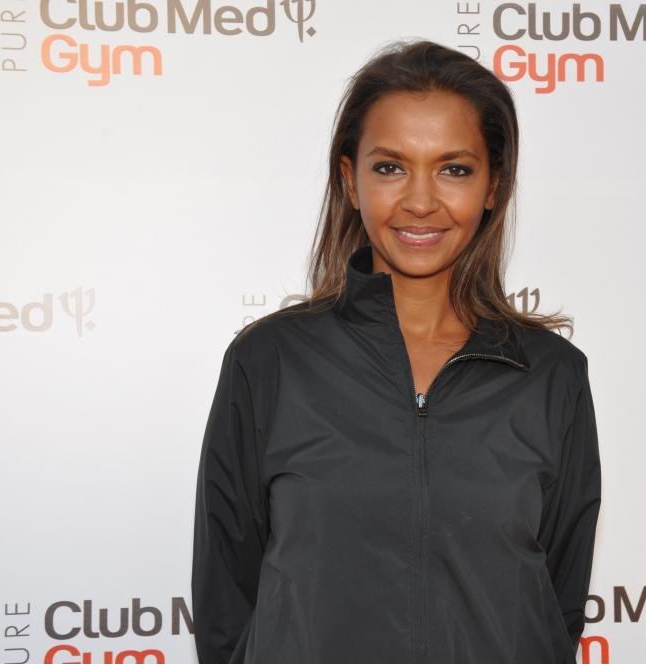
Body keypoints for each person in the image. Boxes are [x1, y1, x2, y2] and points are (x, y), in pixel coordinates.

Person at [191, 40, 601, 664]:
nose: (420, 201)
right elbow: (227, 607)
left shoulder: (550, 375)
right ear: (349, 180)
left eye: (454, 169)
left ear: (493, 185)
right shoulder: (270, 362)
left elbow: (555, 608)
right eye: (390, 167)